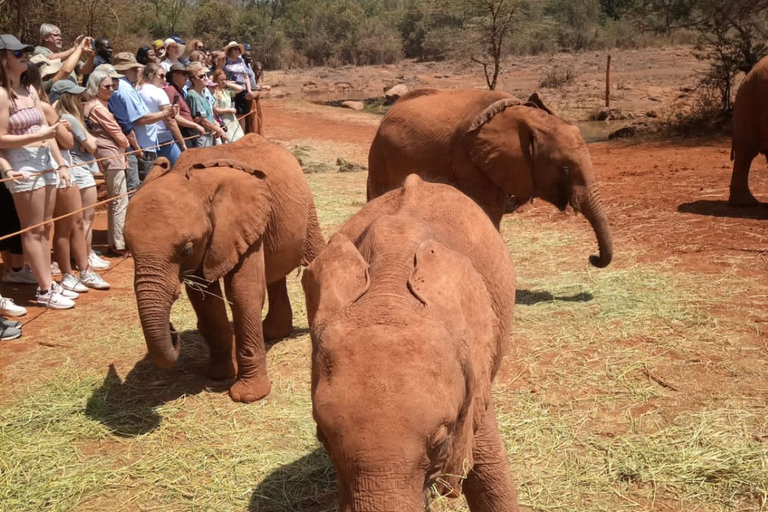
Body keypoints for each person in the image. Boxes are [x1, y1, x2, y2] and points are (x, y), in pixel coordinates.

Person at [0, 34, 77, 309]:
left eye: (25, 53)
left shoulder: (30, 90)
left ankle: (47, 283)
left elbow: (49, 136)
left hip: (45, 162)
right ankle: (46, 289)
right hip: (22, 164)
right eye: (17, 53)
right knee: (32, 230)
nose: (24, 57)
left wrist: (62, 164)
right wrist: (37, 137)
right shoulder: (1, 94)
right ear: (3, 59)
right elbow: (0, 139)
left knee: (45, 227)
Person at [37, 78, 110, 292]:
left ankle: (83, 270)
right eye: (77, 96)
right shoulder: (52, 112)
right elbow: (72, 142)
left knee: (77, 223)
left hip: (67, 168)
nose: (82, 100)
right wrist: (61, 126)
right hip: (58, 171)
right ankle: (68, 274)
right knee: (63, 226)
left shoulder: (59, 115)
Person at [84, 67, 130, 258]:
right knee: (120, 200)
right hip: (112, 155)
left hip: (108, 155)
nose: (112, 89)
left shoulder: (92, 105)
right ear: (96, 87)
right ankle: (119, 244)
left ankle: (115, 242)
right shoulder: (97, 107)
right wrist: (126, 143)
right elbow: (116, 131)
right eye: (107, 86)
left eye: (112, 85)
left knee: (115, 200)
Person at [109, 54, 174, 185]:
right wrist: (166, 113)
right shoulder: (125, 88)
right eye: (132, 69)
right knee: (145, 185)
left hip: (143, 144)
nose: (137, 71)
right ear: (122, 70)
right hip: (142, 145)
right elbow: (141, 119)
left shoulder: (127, 86)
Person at [138, 63, 185, 166]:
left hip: (144, 141)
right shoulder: (158, 92)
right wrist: (182, 143)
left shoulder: (137, 91)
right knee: (179, 168)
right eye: (161, 76)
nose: (164, 80)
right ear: (151, 76)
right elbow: (170, 120)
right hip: (163, 140)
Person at [163, 63, 206, 149]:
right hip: (184, 133)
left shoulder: (179, 91)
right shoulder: (171, 90)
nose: (186, 77)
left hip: (188, 131)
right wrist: (196, 126)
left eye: (187, 74)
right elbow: (175, 117)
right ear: (174, 75)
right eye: (183, 74)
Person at [186, 62, 227, 147]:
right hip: (202, 137)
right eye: (201, 76)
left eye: (204, 75)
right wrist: (219, 130)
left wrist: (215, 123)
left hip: (210, 134)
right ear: (193, 79)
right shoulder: (193, 95)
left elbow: (209, 115)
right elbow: (202, 120)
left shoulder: (201, 93)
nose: (205, 78)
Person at [222, 41, 253, 131]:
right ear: (230, 50)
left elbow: (246, 76)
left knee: (242, 113)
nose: (237, 50)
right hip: (230, 90)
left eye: (238, 49)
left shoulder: (241, 60)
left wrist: (249, 90)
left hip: (242, 89)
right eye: (235, 49)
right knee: (232, 112)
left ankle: (241, 133)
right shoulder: (226, 60)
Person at [211, 69, 243, 143]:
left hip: (232, 120)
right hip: (224, 120)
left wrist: (228, 83)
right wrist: (229, 110)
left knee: (239, 139)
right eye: (221, 79)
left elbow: (240, 89)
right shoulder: (214, 93)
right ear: (216, 80)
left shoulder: (226, 91)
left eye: (225, 79)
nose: (223, 81)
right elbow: (215, 110)